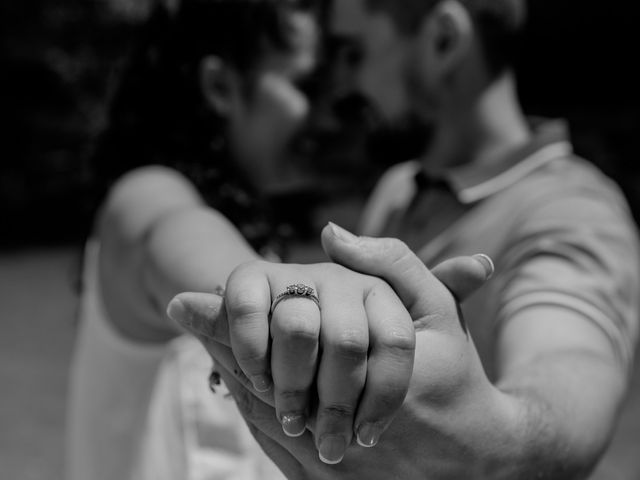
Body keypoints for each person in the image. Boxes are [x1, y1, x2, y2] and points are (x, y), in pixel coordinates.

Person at [170, 0, 640, 478]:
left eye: (358, 54)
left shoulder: (571, 210)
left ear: (443, 41)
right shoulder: (398, 188)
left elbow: (569, 369)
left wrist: (496, 445)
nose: (348, 85)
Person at [65, 0, 490, 478]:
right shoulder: (144, 195)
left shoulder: (250, 232)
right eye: (306, 86)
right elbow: (183, 240)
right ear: (221, 86)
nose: (328, 116)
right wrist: (296, 295)